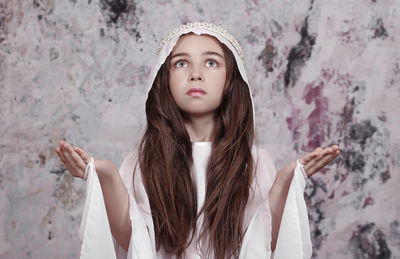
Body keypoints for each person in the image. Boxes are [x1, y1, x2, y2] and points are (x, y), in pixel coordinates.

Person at [55, 22, 340, 259]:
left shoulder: (251, 162)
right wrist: (105, 175)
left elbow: (263, 238)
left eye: (211, 62)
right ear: (164, 79)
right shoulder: (144, 160)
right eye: (181, 63)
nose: (196, 74)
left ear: (231, 79)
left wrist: (286, 181)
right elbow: (132, 239)